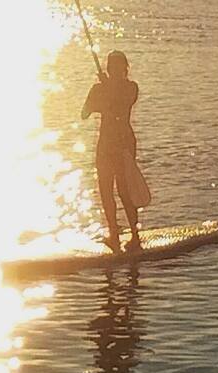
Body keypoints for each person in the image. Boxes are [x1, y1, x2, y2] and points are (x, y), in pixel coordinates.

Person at [82, 51, 141, 253]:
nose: (116, 71)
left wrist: (107, 89)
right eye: (113, 68)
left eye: (119, 68)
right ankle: (113, 234)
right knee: (105, 190)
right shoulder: (99, 89)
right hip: (105, 144)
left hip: (124, 143)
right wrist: (98, 94)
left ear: (125, 69)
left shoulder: (131, 88)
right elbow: (84, 113)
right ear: (108, 69)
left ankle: (135, 235)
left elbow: (120, 107)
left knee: (125, 190)